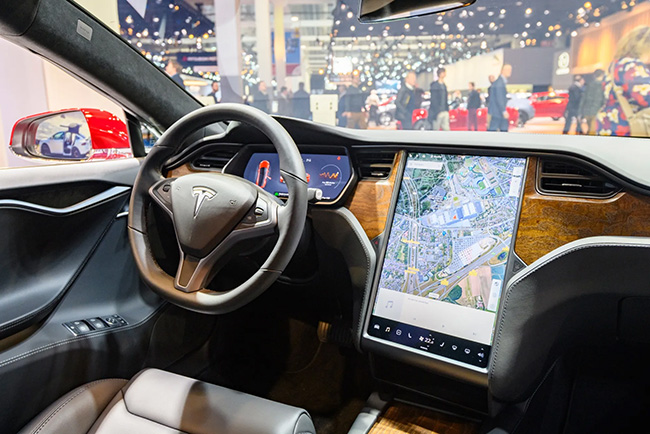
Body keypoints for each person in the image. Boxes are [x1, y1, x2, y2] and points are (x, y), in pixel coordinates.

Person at [596, 26, 650, 137]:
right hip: (626, 127)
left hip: (610, 124)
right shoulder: (631, 66)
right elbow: (646, 97)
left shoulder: (615, 65)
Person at [579, 70, 605, 135]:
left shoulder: (589, 85)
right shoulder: (603, 85)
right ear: (602, 75)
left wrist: (580, 111)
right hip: (596, 111)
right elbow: (603, 99)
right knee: (593, 131)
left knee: (590, 129)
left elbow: (583, 99)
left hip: (587, 111)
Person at [488, 64, 512, 132]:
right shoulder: (500, 83)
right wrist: (504, 111)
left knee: (499, 129)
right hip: (498, 112)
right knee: (495, 130)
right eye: (508, 70)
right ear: (502, 70)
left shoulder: (500, 82)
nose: (510, 71)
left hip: (497, 112)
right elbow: (499, 98)